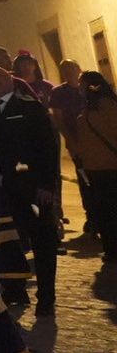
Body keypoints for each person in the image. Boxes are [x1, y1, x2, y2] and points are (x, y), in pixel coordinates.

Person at [0, 45, 59, 314]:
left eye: (1, 77)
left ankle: (46, 298)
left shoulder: (29, 107)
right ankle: (15, 290)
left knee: (43, 242)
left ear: (10, 80)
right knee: (11, 241)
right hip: (3, 191)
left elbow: (48, 148)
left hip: (32, 187)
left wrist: (47, 186)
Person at [69, 71, 117, 266]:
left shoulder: (104, 107)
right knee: (106, 210)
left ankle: (112, 249)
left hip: (106, 167)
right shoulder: (97, 106)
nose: (79, 88)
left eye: (81, 85)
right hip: (98, 167)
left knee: (107, 210)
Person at [47, 58, 95, 239]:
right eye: (65, 70)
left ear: (78, 69)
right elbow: (59, 120)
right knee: (85, 181)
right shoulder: (58, 93)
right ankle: (92, 216)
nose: (69, 73)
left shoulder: (91, 89)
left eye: (71, 68)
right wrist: (70, 141)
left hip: (97, 143)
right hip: (77, 144)